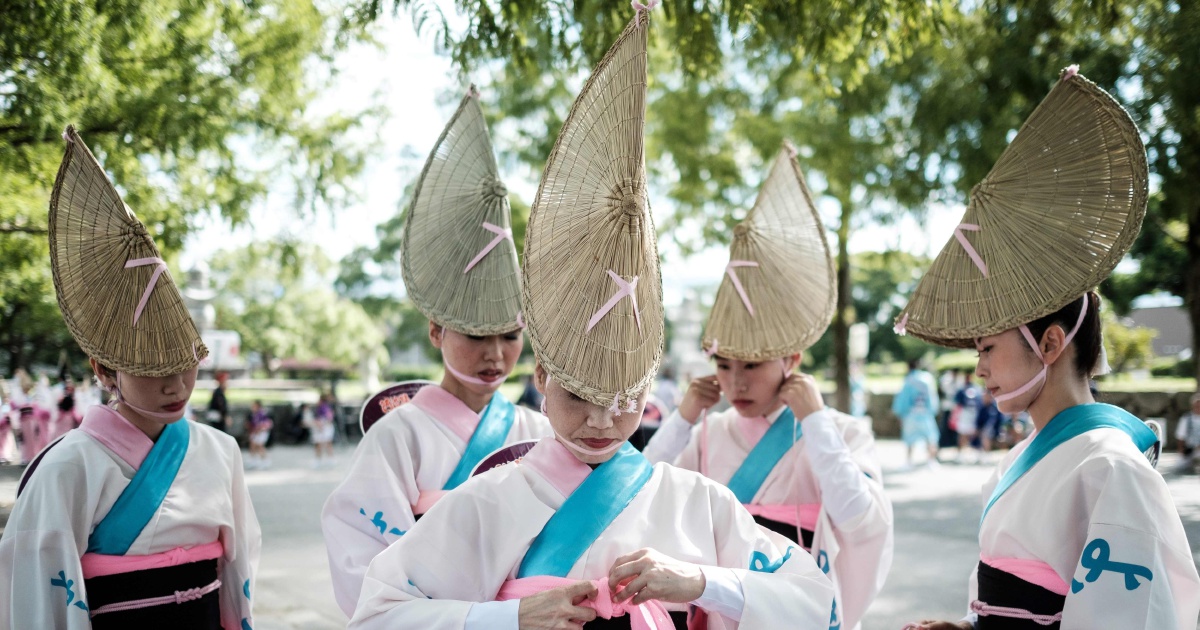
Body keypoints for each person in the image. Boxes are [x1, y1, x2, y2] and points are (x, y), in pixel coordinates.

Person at [349, 10, 835, 626]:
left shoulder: (696, 501)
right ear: (543, 376)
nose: (604, 421)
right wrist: (508, 620)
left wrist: (704, 582)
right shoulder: (487, 502)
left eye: (625, 397)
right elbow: (376, 613)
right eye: (580, 394)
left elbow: (818, 603)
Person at [896, 67, 1199, 629]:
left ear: (1052, 342)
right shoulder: (1021, 459)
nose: (979, 365)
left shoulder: (1112, 468)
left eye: (988, 347)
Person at [0, 126, 259, 628]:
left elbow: (237, 576)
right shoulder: (66, 468)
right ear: (103, 369)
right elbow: (38, 594)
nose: (176, 385)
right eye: (151, 369)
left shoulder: (221, 452)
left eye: (185, 365)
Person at [320, 83, 553, 617]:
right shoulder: (398, 435)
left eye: (510, 335)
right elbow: (358, 547)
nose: (495, 353)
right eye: (476, 335)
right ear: (435, 332)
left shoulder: (535, 430)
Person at [641, 143, 892, 630]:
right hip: (723, 611)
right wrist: (684, 418)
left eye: (752, 365)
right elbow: (642, 491)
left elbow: (859, 522)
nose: (735, 381)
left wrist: (817, 424)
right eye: (725, 364)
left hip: (800, 610)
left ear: (792, 359)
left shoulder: (840, 430)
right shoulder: (708, 434)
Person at [892, 359, 940, 469]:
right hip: (926, 413)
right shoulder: (927, 379)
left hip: (911, 414)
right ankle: (931, 461)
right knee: (930, 437)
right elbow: (932, 398)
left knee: (909, 438)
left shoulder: (908, 380)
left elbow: (903, 399)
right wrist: (933, 410)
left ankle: (909, 461)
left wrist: (899, 413)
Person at [954, 375, 984, 464]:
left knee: (976, 433)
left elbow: (980, 401)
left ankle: (978, 453)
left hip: (974, 413)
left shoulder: (977, 389)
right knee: (962, 434)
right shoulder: (961, 389)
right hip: (965, 413)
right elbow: (957, 401)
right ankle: (960, 454)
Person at [1173, 392, 1200, 473]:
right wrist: (1181, 451)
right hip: (1189, 449)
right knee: (1180, 466)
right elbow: (1180, 436)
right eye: (1197, 406)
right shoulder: (1186, 418)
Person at [246, 400, 273, 469]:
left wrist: (258, 430)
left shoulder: (261, 414)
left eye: (254, 406)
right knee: (253, 446)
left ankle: (265, 461)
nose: (252, 407)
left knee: (260, 447)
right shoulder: (254, 414)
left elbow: (264, 425)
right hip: (256, 432)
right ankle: (253, 460)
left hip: (261, 432)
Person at [311, 392, 336, 466]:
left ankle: (327, 459)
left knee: (326, 443)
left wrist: (322, 424)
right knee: (322, 444)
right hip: (322, 426)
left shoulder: (325, 407)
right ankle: (320, 460)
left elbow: (329, 418)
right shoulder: (323, 407)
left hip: (324, 427)